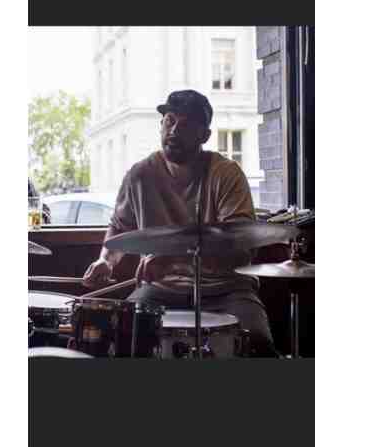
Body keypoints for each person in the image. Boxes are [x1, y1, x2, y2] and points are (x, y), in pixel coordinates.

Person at [82, 90, 279, 357]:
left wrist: (172, 259)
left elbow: (239, 243)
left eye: (185, 125)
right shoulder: (140, 175)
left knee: (258, 342)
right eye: (169, 121)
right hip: (161, 290)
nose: (174, 130)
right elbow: (120, 226)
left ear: (204, 135)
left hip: (226, 290)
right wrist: (106, 260)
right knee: (124, 336)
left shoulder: (226, 173)